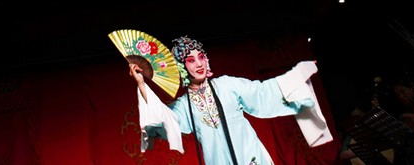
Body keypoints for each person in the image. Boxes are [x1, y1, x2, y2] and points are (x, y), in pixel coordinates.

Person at [128, 35, 333, 164]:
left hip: (252, 158)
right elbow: (164, 121)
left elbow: (263, 93)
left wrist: (296, 75)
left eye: (201, 57)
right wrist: (141, 84)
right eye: (191, 60)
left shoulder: (227, 85)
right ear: (183, 67)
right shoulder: (184, 106)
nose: (199, 64)